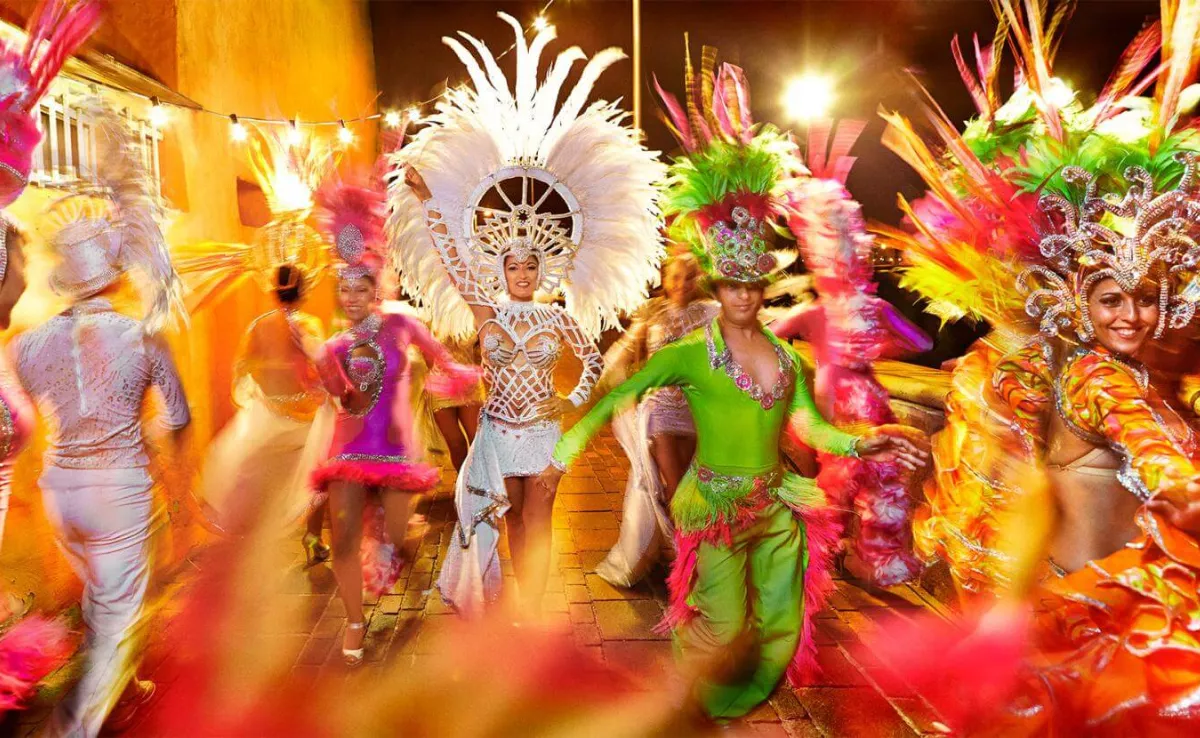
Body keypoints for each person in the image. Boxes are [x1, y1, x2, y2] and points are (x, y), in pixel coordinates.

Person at [541, 49, 928, 720]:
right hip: (715, 507)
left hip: (776, 505)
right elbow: (620, 393)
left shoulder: (785, 356)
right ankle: (695, 704)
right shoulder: (691, 351)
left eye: (754, 285)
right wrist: (566, 448)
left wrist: (866, 442)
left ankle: (737, 705)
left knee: (779, 624)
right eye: (732, 286)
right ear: (719, 287)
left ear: (763, 286)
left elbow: (808, 425)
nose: (744, 297)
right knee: (717, 625)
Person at [870, 3, 1200, 732]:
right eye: (1111, 299)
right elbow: (1154, 456)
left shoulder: (1102, 373)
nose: (1131, 315)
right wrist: (1183, 489)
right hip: (1093, 621)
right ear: (1080, 302)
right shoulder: (1096, 378)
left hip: (1091, 608)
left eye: (1146, 299)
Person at [387, 13, 664, 617]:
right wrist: (428, 201)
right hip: (494, 434)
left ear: (541, 269)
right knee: (509, 524)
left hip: (540, 434)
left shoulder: (557, 319)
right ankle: (517, 608)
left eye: (530, 265)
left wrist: (568, 402)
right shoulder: (485, 311)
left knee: (539, 524)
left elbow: (590, 362)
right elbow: (451, 256)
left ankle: (533, 614)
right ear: (503, 267)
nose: (521, 273)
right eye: (512, 265)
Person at [16, 101, 188, 737]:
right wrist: (171, 469)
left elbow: (22, 417)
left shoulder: (27, 344)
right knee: (118, 612)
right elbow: (178, 415)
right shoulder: (144, 335)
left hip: (60, 493)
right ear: (115, 275)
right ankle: (76, 728)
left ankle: (125, 685)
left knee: (100, 596)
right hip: (118, 492)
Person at [309, 180, 478, 666]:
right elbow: (345, 399)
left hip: (396, 451)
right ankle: (354, 621)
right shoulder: (335, 346)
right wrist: (324, 369)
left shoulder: (402, 325)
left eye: (360, 288)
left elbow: (448, 361)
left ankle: (396, 551)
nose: (351, 297)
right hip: (348, 450)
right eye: (344, 289)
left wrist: (482, 373)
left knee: (400, 537)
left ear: (375, 289)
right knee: (342, 538)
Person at [595, 249, 717, 587]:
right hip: (658, 410)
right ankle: (688, 564)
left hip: (693, 410)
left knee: (689, 484)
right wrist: (614, 379)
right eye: (676, 276)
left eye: (689, 277)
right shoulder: (652, 312)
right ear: (665, 279)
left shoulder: (709, 312)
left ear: (698, 279)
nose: (682, 284)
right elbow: (623, 350)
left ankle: (673, 548)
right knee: (676, 486)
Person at [197, 263, 334, 561]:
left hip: (269, 418)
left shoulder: (259, 326)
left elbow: (241, 367)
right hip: (304, 418)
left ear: (273, 292)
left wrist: (253, 397)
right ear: (303, 292)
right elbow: (320, 368)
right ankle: (313, 537)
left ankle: (259, 541)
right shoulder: (309, 325)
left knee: (268, 480)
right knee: (317, 474)